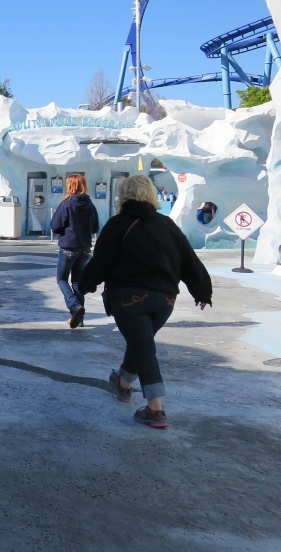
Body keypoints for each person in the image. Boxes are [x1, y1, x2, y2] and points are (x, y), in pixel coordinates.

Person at [79, 175, 212, 429]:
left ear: (123, 195)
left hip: (129, 298)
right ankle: (123, 383)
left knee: (143, 346)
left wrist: (85, 285)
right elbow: (189, 260)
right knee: (141, 342)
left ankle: (155, 409)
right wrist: (202, 291)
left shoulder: (118, 224)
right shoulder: (167, 224)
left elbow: (101, 261)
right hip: (165, 301)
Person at [50, 174, 100, 329]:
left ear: (70, 186)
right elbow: (95, 228)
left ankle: (74, 306)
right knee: (77, 282)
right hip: (84, 248)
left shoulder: (66, 204)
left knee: (61, 279)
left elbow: (55, 226)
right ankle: (80, 318)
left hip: (68, 247)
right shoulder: (90, 205)